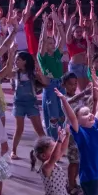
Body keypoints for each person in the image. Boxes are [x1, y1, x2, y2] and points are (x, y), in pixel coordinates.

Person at [10, 51, 47, 160]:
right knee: (19, 129)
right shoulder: (15, 73)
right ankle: (13, 151)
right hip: (19, 103)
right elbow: (7, 74)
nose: (16, 62)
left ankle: (48, 150)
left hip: (31, 103)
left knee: (39, 129)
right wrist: (10, 55)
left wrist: (40, 74)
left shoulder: (32, 74)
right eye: (16, 59)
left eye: (18, 59)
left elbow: (45, 83)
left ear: (25, 61)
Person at [38, 8, 66, 139]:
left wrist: (57, 21)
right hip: (50, 87)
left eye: (53, 42)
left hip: (60, 84)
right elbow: (42, 41)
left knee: (62, 114)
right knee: (53, 116)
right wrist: (44, 24)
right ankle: (53, 141)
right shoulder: (42, 57)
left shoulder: (56, 54)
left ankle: (61, 139)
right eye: (50, 42)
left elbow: (63, 38)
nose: (52, 44)